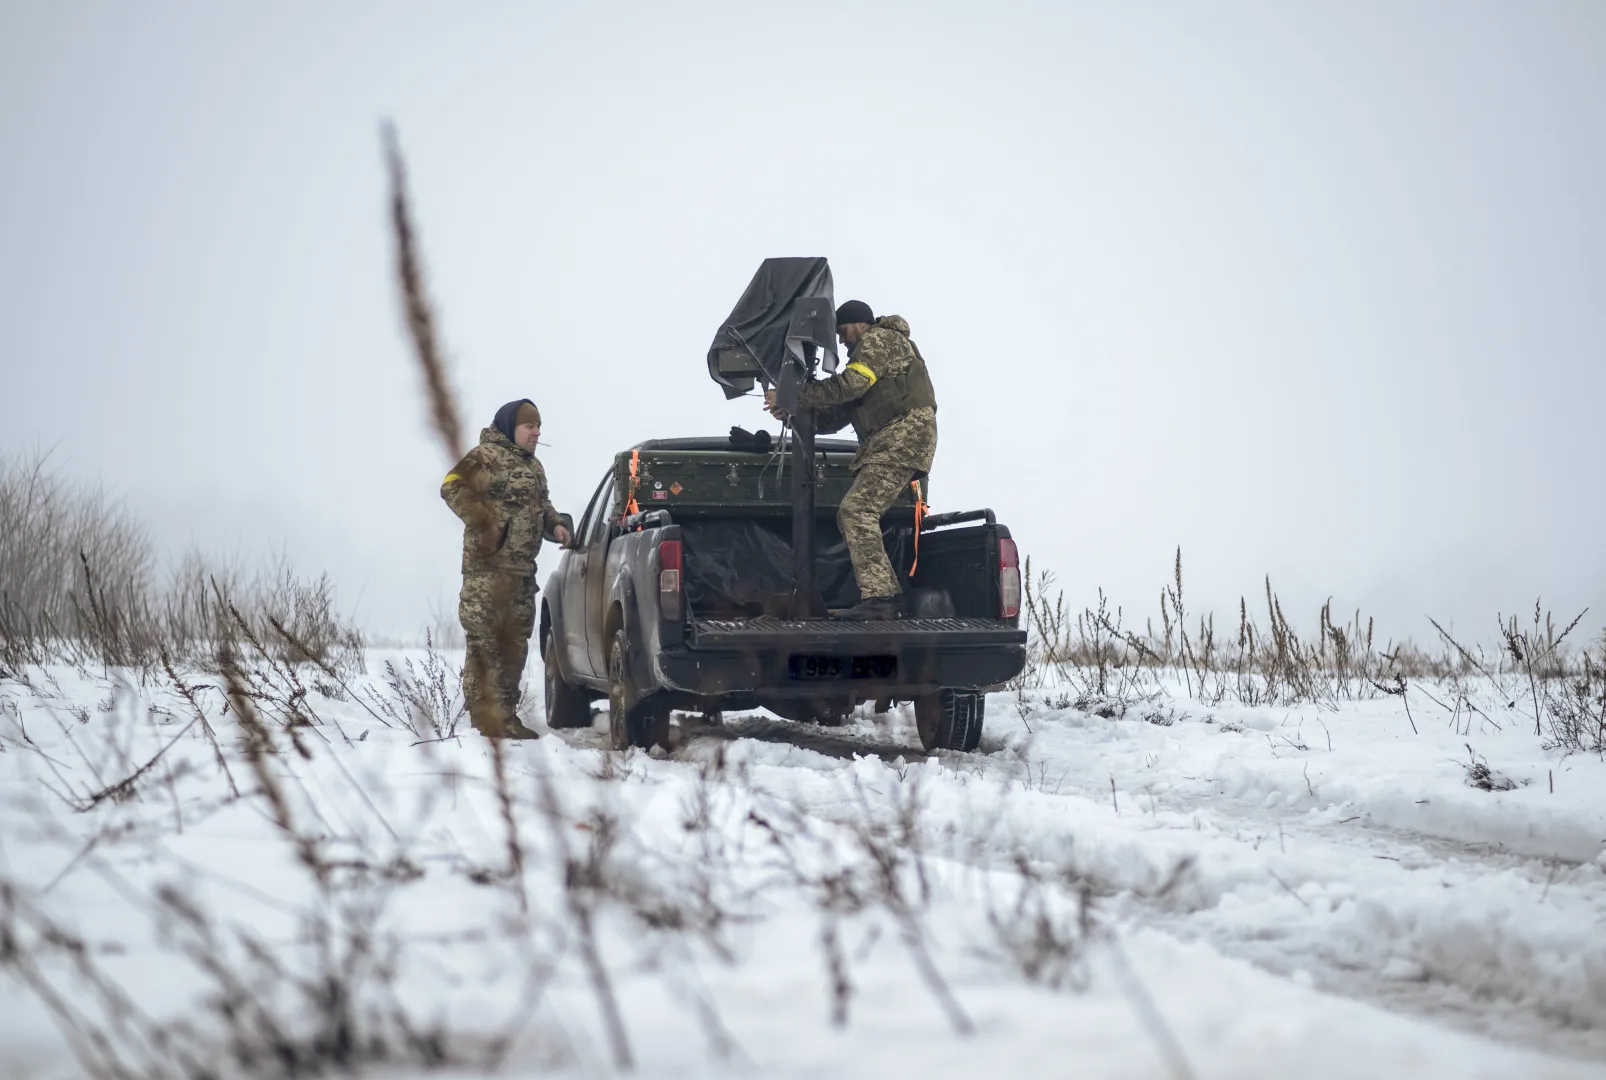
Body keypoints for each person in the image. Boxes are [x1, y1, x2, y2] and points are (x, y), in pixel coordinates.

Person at [766, 300, 938, 619]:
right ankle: (883, 597)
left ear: (860, 324)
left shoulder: (879, 339)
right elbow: (835, 417)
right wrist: (792, 413)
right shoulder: (876, 357)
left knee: (856, 511)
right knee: (857, 511)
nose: (842, 341)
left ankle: (883, 598)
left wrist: (794, 394)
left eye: (843, 332)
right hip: (894, 440)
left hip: (902, 437)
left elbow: (851, 385)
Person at [440, 399, 572, 737]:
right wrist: (486, 523)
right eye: (530, 426)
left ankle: (505, 718)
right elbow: (451, 485)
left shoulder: (535, 468)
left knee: (514, 645)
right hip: (487, 572)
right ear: (511, 427)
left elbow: (542, 506)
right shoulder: (486, 456)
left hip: (521, 574)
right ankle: (484, 723)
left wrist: (556, 525)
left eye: (539, 426)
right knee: (486, 645)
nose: (536, 432)